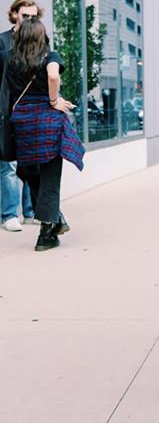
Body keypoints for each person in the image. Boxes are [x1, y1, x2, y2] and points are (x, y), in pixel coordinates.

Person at [5, 15, 84, 252]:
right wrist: (53, 100)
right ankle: (46, 234)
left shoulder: (11, 59)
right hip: (47, 122)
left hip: (22, 123)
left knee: (28, 172)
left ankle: (56, 219)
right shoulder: (49, 56)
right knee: (49, 177)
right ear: (41, 36)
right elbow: (53, 75)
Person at [0, 0, 41, 232]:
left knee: (29, 161)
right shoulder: (2, 42)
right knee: (9, 164)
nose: (29, 20)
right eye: (25, 15)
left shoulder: (37, 42)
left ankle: (29, 212)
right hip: (6, 111)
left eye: (34, 16)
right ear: (15, 14)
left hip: (30, 111)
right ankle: (9, 214)